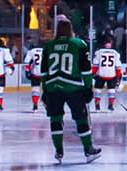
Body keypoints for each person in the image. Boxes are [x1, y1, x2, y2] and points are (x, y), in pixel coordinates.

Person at [40, 17, 102, 163]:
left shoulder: (48, 45)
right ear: (70, 30)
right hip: (73, 87)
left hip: (53, 87)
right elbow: (86, 70)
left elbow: (43, 72)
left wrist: (45, 90)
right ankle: (88, 150)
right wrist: (88, 88)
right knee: (81, 119)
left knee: (55, 119)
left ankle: (59, 152)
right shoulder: (78, 44)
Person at [91, 35, 123, 111]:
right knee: (111, 90)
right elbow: (118, 67)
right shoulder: (115, 53)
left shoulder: (98, 52)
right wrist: (118, 77)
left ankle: (97, 105)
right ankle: (110, 105)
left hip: (101, 74)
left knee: (98, 90)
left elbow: (95, 65)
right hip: (111, 75)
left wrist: (93, 74)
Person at [23, 40, 45, 111]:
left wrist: (27, 71)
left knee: (35, 89)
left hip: (35, 73)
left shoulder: (32, 51)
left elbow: (26, 62)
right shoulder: (46, 50)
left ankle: (35, 105)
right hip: (45, 73)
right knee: (47, 89)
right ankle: (46, 102)